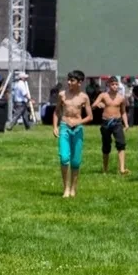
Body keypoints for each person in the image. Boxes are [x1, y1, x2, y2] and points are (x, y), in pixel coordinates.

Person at [54, 70, 93, 199]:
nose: (69, 82)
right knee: (64, 158)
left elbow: (90, 116)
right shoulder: (62, 95)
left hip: (77, 129)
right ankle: (65, 188)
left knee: (75, 161)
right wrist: (55, 127)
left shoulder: (84, 97)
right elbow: (56, 111)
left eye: (72, 80)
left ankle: (73, 188)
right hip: (64, 126)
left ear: (79, 82)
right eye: (68, 80)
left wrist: (78, 122)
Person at [92, 75, 129, 175]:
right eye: (113, 84)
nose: (115, 86)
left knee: (121, 144)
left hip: (117, 122)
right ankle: (105, 169)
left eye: (116, 84)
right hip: (106, 122)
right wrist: (98, 104)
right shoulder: (103, 95)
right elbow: (93, 105)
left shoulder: (121, 98)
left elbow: (124, 112)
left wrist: (126, 124)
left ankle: (122, 168)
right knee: (106, 146)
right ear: (108, 85)